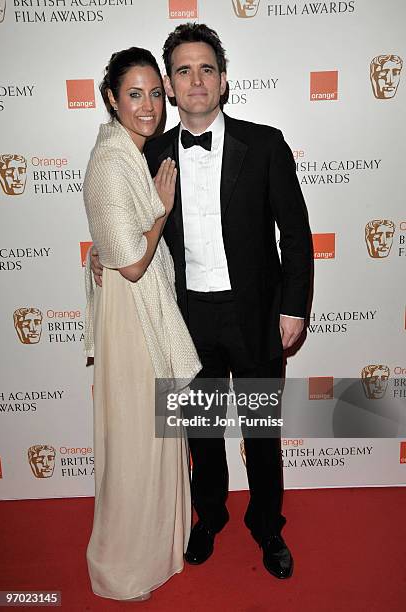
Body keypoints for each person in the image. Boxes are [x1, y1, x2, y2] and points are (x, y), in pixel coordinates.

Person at [91, 24, 312, 580]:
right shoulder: (149, 152)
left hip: (256, 314)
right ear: (169, 83)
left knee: (262, 435)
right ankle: (208, 516)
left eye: (206, 68)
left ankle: (267, 526)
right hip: (185, 319)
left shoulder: (264, 143)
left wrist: (294, 307)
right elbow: (124, 219)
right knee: (202, 434)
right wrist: (99, 252)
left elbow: (297, 233)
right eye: (184, 70)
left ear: (223, 80)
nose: (196, 80)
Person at [83, 47, 200, 601]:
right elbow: (130, 264)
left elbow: (114, 243)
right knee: (135, 441)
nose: (149, 105)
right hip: (131, 321)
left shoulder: (134, 149)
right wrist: (160, 209)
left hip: (139, 311)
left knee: (151, 436)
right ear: (112, 98)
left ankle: (155, 549)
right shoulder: (112, 160)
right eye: (135, 93)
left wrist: (107, 247)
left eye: (156, 92)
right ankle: (124, 563)